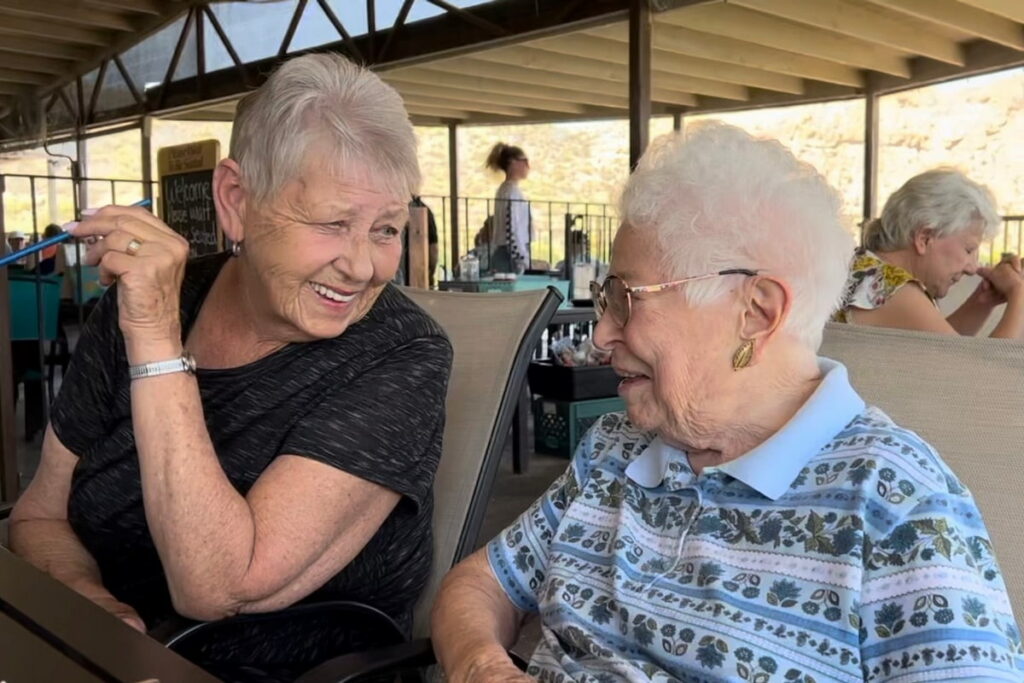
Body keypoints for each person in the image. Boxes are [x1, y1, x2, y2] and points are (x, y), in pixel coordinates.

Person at [431, 124, 1021, 681]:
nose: (602, 335)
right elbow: (481, 583)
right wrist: (484, 666)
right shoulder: (614, 449)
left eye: (625, 298)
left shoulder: (896, 504)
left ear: (756, 313)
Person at [9, 53, 452, 681]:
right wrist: (91, 606)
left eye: (386, 229)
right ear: (237, 199)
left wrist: (157, 343)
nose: (364, 266)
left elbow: (217, 585)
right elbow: (39, 515)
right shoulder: (153, 302)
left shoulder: (402, 356)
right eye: (332, 224)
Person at [835, 169, 1024, 337]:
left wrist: (982, 301)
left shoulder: (869, 271)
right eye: (968, 250)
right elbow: (979, 374)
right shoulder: (893, 290)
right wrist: (1019, 293)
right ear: (924, 238)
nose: (972, 268)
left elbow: (937, 349)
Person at [485, 142, 531, 274]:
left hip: (509, 253)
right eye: (524, 161)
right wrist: (522, 258)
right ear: (513, 162)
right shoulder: (510, 191)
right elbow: (511, 229)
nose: (528, 166)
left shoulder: (507, 190)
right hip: (510, 256)